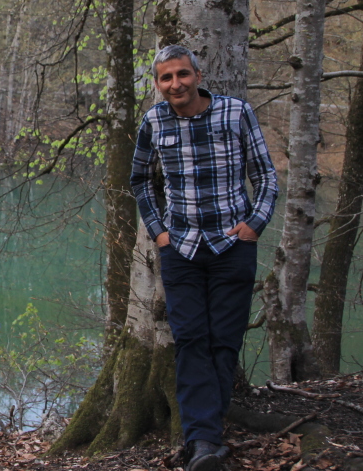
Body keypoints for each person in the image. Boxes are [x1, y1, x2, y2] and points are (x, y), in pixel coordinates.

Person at [130, 44, 279, 471]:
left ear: (197, 74)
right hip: (181, 251)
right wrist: (159, 233)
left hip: (233, 247)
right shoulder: (154, 121)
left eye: (181, 74)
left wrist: (255, 225)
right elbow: (139, 180)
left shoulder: (234, 113)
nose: (175, 84)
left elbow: (265, 174)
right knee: (192, 339)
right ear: (158, 84)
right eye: (165, 78)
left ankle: (205, 441)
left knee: (224, 342)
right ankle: (204, 444)